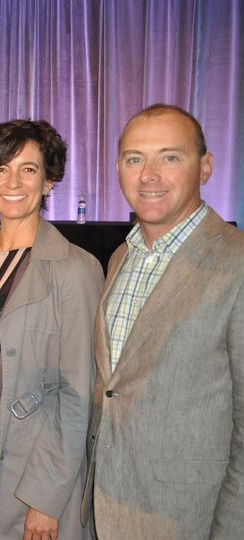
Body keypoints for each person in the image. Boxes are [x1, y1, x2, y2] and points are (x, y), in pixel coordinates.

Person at [0, 120, 103, 540]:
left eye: (28, 169)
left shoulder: (75, 270)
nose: (13, 181)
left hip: (26, 466)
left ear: (49, 182)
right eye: (1, 168)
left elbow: (78, 394)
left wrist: (45, 499)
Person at [83, 104, 244, 539]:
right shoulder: (121, 256)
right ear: (118, 168)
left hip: (187, 519)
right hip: (105, 507)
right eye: (135, 159)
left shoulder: (237, 263)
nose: (149, 175)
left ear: (205, 167)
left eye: (170, 157)